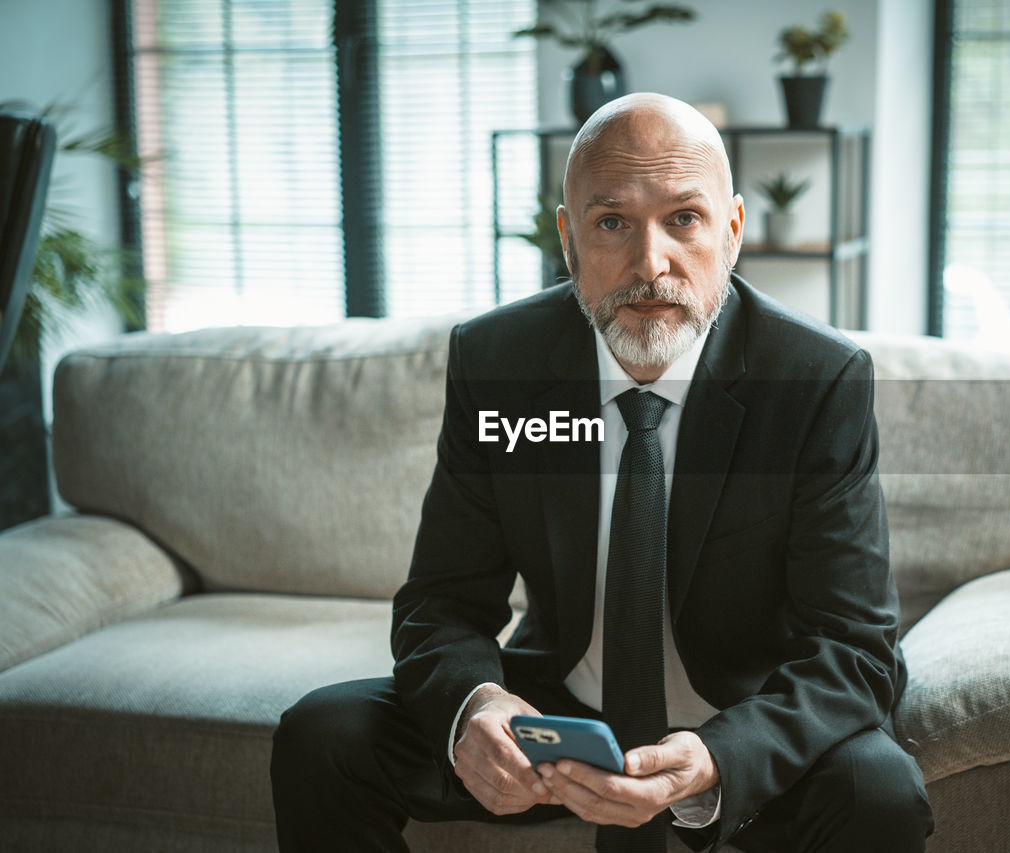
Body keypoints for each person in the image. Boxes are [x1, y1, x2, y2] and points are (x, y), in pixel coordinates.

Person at [271, 92, 934, 853]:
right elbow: (440, 601)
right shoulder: (500, 365)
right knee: (323, 735)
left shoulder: (816, 379)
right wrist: (478, 706)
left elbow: (855, 645)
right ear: (568, 238)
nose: (650, 263)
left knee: (877, 792)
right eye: (612, 222)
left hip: (743, 715)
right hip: (556, 718)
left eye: (683, 218)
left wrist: (718, 756)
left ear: (733, 229)